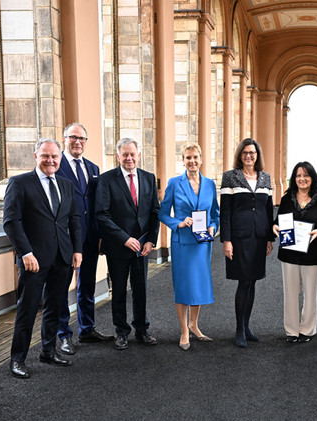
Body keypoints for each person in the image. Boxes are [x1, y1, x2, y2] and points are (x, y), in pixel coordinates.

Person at [3, 138, 82, 379]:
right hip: (33, 260)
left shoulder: (67, 185)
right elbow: (11, 222)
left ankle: (48, 350)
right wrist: (25, 253)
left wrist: (77, 250)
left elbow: (74, 220)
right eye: (45, 156)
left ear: (60, 158)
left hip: (62, 258)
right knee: (26, 310)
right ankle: (17, 359)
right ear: (35, 156)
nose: (50, 160)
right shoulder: (19, 183)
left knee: (55, 307)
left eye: (54, 156)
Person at [95, 138, 161, 350]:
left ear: (138, 155)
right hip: (118, 247)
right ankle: (121, 332)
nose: (129, 158)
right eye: (125, 154)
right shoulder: (106, 180)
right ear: (118, 156)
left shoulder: (149, 178)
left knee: (141, 289)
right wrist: (124, 238)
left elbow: (155, 212)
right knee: (120, 291)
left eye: (133, 154)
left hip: (142, 247)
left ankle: (142, 330)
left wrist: (151, 240)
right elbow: (102, 214)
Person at [55, 122, 114, 355]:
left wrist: (99, 235)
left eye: (82, 138)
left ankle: (87, 328)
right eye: (73, 137)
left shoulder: (93, 168)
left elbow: (97, 206)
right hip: (64, 239)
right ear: (64, 139)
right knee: (61, 288)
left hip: (89, 237)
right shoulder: (55, 165)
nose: (77, 142)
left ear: (86, 142)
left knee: (86, 284)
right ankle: (63, 335)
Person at [159, 143, 219, 351]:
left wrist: (213, 227)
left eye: (195, 157)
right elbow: (163, 213)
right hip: (182, 243)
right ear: (182, 160)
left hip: (202, 243)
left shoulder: (210, 184)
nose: (192, 161)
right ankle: (184, 330)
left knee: (198, 284)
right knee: (184, 285)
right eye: (188, 158)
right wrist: (178, 223)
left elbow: (215, 214)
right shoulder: (175, 183)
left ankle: (194, 325)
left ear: (201, 159)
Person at [272, 162, 317, 343]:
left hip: (313, 254)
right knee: (290, 293)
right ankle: (291, 330)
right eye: (298, 175)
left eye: (306, 175)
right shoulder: (286, 199)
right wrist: (275, 226)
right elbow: (278, 220)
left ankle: (307, 330)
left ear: (312, 178)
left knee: (310, 293)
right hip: (289, 253)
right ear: (294, 178)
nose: (302, 179)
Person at [220, 138, 274, 348]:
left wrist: (270, 238)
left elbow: (269, 210)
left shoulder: (265, 178)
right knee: (244, 282)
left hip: (259, 237)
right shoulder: (230, 177)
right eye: (245, 153)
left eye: (252, 152)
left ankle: (248, 325)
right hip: (239, 238)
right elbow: (225, 211)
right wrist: (227, 240)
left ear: (257, 155)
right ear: (240, 155)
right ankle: (239, 329)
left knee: (252, 282)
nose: (249, 156)